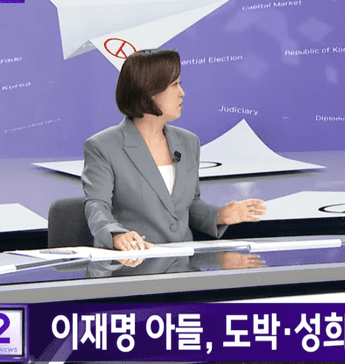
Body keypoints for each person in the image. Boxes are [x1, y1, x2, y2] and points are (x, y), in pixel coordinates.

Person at [82, 49, 266, 273]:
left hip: (183, 270)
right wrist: (117, 235)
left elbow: (188, 206)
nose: (182, 93)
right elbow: (96, 206)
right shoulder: (103, 146)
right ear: (150, 91)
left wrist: (220, 216)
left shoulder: (188, 142)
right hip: (132, 271)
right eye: (175, 84)